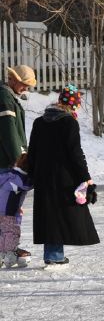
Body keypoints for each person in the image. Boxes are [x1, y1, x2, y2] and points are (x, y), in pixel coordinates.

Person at [27, 84, 99, 266]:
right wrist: (85, 177)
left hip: (43, 177)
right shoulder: (68, 122)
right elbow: (75, 153)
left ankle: (53, 253)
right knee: (60, 214)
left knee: (49, 214)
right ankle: (54, 255)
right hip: (63, 177)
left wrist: (32, 175)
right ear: (73, 105)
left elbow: (33, 151)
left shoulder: (39, 122)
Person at [1, 64, 37, 266]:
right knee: (8, 211)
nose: (25, 88)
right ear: (13, 79)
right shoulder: (5, 97)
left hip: (7, 164)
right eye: (24, 84)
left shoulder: (8, 96)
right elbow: (8, 132)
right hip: (7, 165)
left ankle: (6, 249)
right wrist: (20, 163)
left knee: (6, 210)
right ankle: (6, 250)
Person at [0, 153, 32, 267]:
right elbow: (27, 185)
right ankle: (9, 255)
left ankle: (3, 254)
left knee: (4, 233)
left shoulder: (10, 174)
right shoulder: (20, 178)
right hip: (9, 213)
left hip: (3, 210)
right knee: (11, 233)